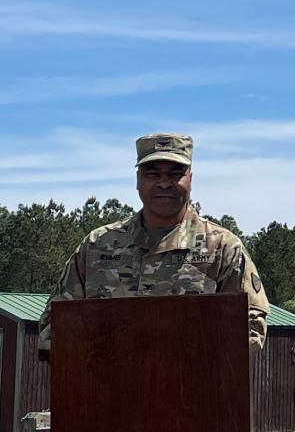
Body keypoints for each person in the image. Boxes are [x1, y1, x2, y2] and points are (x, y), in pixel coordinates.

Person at [38, 133, 269, 359]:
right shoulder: (98, 246)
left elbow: (251, 327)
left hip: (193, 392)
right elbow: (54, 322)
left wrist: (186, 357)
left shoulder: (221, 248)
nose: (164, 183)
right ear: (138, 180)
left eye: (175, 173)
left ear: (190, 178)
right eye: (153, 173)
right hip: (106, 390)